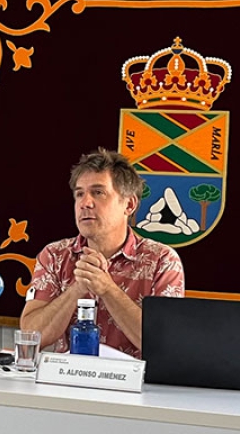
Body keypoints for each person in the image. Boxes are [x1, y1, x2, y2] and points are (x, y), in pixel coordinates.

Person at [20, 148, 184, 358]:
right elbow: (30, 337)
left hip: (135, 386)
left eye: (98, 192)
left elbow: (164, 343)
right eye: (79, 194)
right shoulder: (54, 255)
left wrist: (107, 289)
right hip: (67, 384)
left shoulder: (163, 261)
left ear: (129, 204)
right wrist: (77, 288)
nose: (85, 203)